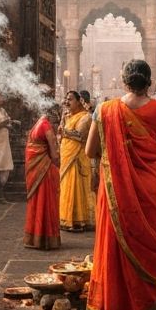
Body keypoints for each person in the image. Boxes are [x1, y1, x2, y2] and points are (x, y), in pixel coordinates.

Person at [85, 59, 156, 310]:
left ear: (124, 81)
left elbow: (92, 150)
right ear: (149, 82)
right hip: (154, 190)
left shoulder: (105, 110)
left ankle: (113, 309)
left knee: (116, 246)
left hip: (117, 189)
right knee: (148, 249)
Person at [24, 103, 61, 250]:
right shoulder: (46, 126)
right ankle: (46, 238)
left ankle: (34, 238)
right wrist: (58, 162)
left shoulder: (37, 124)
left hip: (36, 170)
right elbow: (54, 153)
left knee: (37, 202)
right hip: (45, 170)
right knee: (46, 202)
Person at [58, 90, 94, 232]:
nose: (67, 102)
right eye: (66, 99)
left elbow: (80, 136)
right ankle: (67, 218)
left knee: (76, 188)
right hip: (68, 157)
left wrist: (64, 132)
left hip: (77, 159)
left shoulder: (85, 117)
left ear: (80, 101)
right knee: (67, 187)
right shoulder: (69, 116)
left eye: (70, 99)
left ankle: (79, 220)